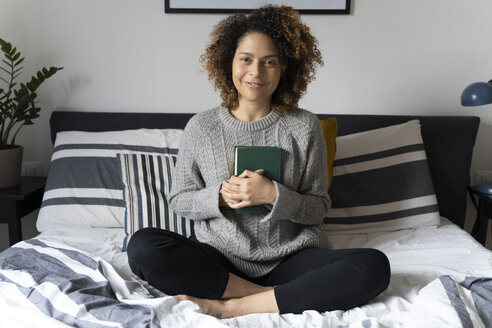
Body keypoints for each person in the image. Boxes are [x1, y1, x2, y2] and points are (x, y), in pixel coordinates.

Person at [127, 5, 390, 319]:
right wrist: (220, 196)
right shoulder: (201, 127)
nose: (256, 72)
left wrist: (273, 196)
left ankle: (232, 306)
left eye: (270, 62)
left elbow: (318, 206)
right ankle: (275, 298)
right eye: (246, 59)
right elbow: (180, 200)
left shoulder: (304, 127)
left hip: (291, 259)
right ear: (229, 62)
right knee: (142, 246)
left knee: (374, 266)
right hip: (218, 260)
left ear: (285, 69)